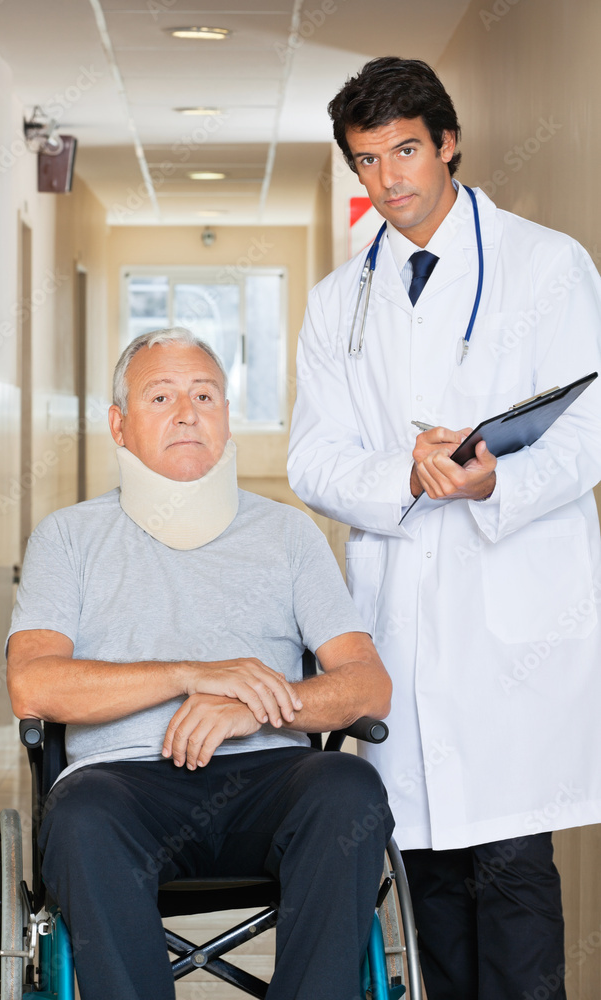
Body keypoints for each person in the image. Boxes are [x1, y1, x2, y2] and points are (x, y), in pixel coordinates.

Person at [287, 56, 601, 1000]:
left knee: (509, 863)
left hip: (509, 609)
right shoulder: (338, 301)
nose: (389, 179)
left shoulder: (545, 264)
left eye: (405, 151)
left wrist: (493, 480)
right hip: (400, 617)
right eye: (366, 159)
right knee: (422, 868)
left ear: (447, 143)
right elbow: (312, 459)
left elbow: (588, 432)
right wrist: (405, 472)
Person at [6, 327, 394, 1000]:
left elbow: (368, 686)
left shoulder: (288, 533)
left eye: (205, 396)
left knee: (347, 788)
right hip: (122, 787)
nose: (187, 413)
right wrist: (190, 675)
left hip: (270, 781)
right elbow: (32, 684)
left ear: (226, 417)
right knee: (80, 817)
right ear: (119, 426)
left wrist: (253, 710)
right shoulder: (67, 537)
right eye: (161, 397)